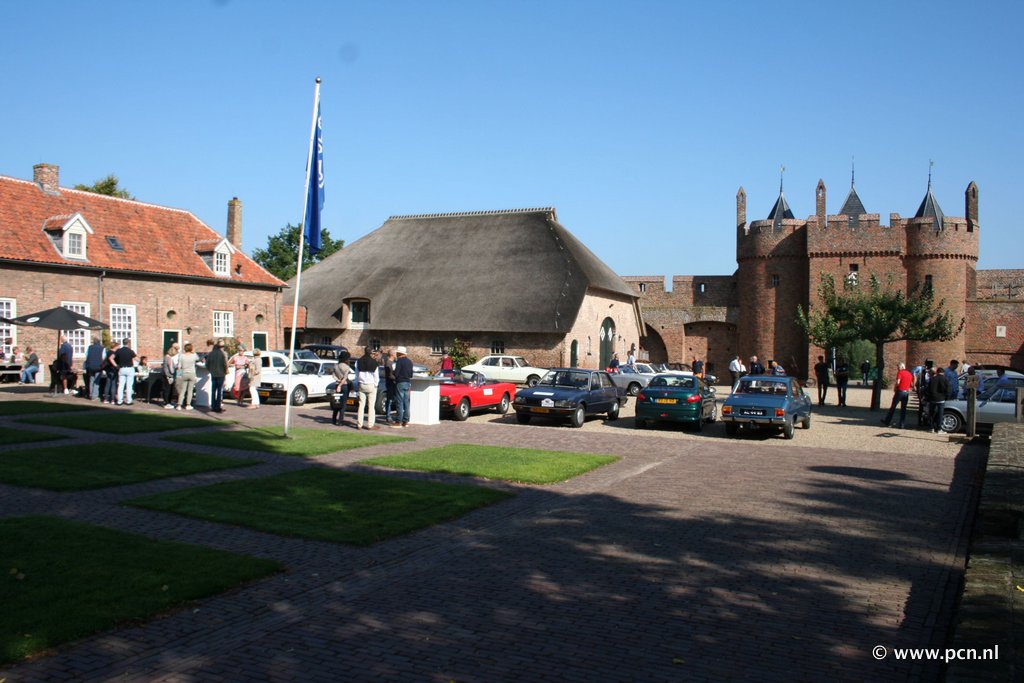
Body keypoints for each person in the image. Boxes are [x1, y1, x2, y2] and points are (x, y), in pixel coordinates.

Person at [881, 362, 914, 429]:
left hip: (900, 391)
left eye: (898, 367)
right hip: (906, 392)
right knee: (903, 409)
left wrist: (895, 388)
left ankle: (887, 421)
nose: (898, 369)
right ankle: (902, 424)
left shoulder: (900, 373)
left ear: (901, 367)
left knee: (893, 406)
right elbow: (911, 384)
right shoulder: (910, 374)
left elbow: (898, 382)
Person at [355, 346, 380, 429]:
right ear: (371, 352)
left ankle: (359, 424)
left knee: (361, 405)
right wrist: (376, 385)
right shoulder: (374, 362)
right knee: (371, 406)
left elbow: (357, 374)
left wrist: (357, 382)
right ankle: (370, 424)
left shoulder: (358, 361)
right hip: (371, 384)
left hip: (362, 384)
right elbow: (376, 376)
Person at [393, 346, 414, 428]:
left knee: (399, 402)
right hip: (407, 382)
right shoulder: (409, 361)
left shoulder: (399, 361)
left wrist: (394, 373)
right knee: (406, 402)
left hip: (400, 382)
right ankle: (406, 420)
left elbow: (396, 373)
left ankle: (398, 421)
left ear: (399, 353)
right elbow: (411, 374)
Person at [926, 362, 950, 433]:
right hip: (941, 399)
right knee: (940, 414)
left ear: (937, 372)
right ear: (943, 373)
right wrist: (946, 397)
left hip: (932, 398)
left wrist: (928, 396)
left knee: (931, 414)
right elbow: (948, 390)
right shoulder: (945, 379)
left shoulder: (932, 379)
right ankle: (939, 428)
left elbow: (928, 389)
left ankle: (931, 428)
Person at [206, 339, 228, 413]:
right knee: (219, 391)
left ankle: (213, 406)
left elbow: (207, 364)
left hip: (213, 374)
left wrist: (210, 370)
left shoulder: (210, 354)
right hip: (221, 374)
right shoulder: (222, 354)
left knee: (213, 390)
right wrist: (225, 371)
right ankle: (218, 407)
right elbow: (225, 364)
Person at [330, 355, 353, 425]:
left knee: (337, 402)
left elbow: (333, 375)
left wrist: (338, 381)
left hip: (337, 384)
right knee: (343, 403)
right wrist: (341, 384)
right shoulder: (347, 367)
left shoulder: (336, 366)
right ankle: (340, 421)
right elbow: (345, 378)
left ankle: (334, 419)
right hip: (344, 385)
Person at [175, 343, 199, 410]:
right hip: (192, 373)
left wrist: (178, 375)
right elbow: (198, 358)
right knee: (190, 390)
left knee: (182, 390)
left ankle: (179, 405)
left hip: (184, 373)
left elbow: (179, 366)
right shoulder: (194, 355)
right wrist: (194, 352)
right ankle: (188, 405)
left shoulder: (181, 356)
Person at [114, 337, 137, 405]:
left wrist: (116, 365)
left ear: (123, 343)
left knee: (121, 385)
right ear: (129, 343)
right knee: (129, 385)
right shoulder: (130, 351)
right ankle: (129, 400)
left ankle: (119, 401)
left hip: (121, 368)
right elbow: (137, 358)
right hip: (129, 368)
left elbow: (111, 358)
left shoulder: (119, 351)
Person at [83, 336, 106, 400]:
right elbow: (104, 357)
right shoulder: (102, 348)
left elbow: (86, 355)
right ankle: (94, 395)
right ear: (99, 342)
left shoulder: (90, 347)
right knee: (96, 381)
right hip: (99, 367)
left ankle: (91, 394)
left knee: (91, 380)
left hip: (90, 366)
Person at [162, 343, 180, 409]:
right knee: (168, 389)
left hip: (166, 375)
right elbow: (171, 368)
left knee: (168, 389)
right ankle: (167, 403)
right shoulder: (169, 358)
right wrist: (176, 368)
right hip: (169, 375)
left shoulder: (165, 357)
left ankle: (168, 402)